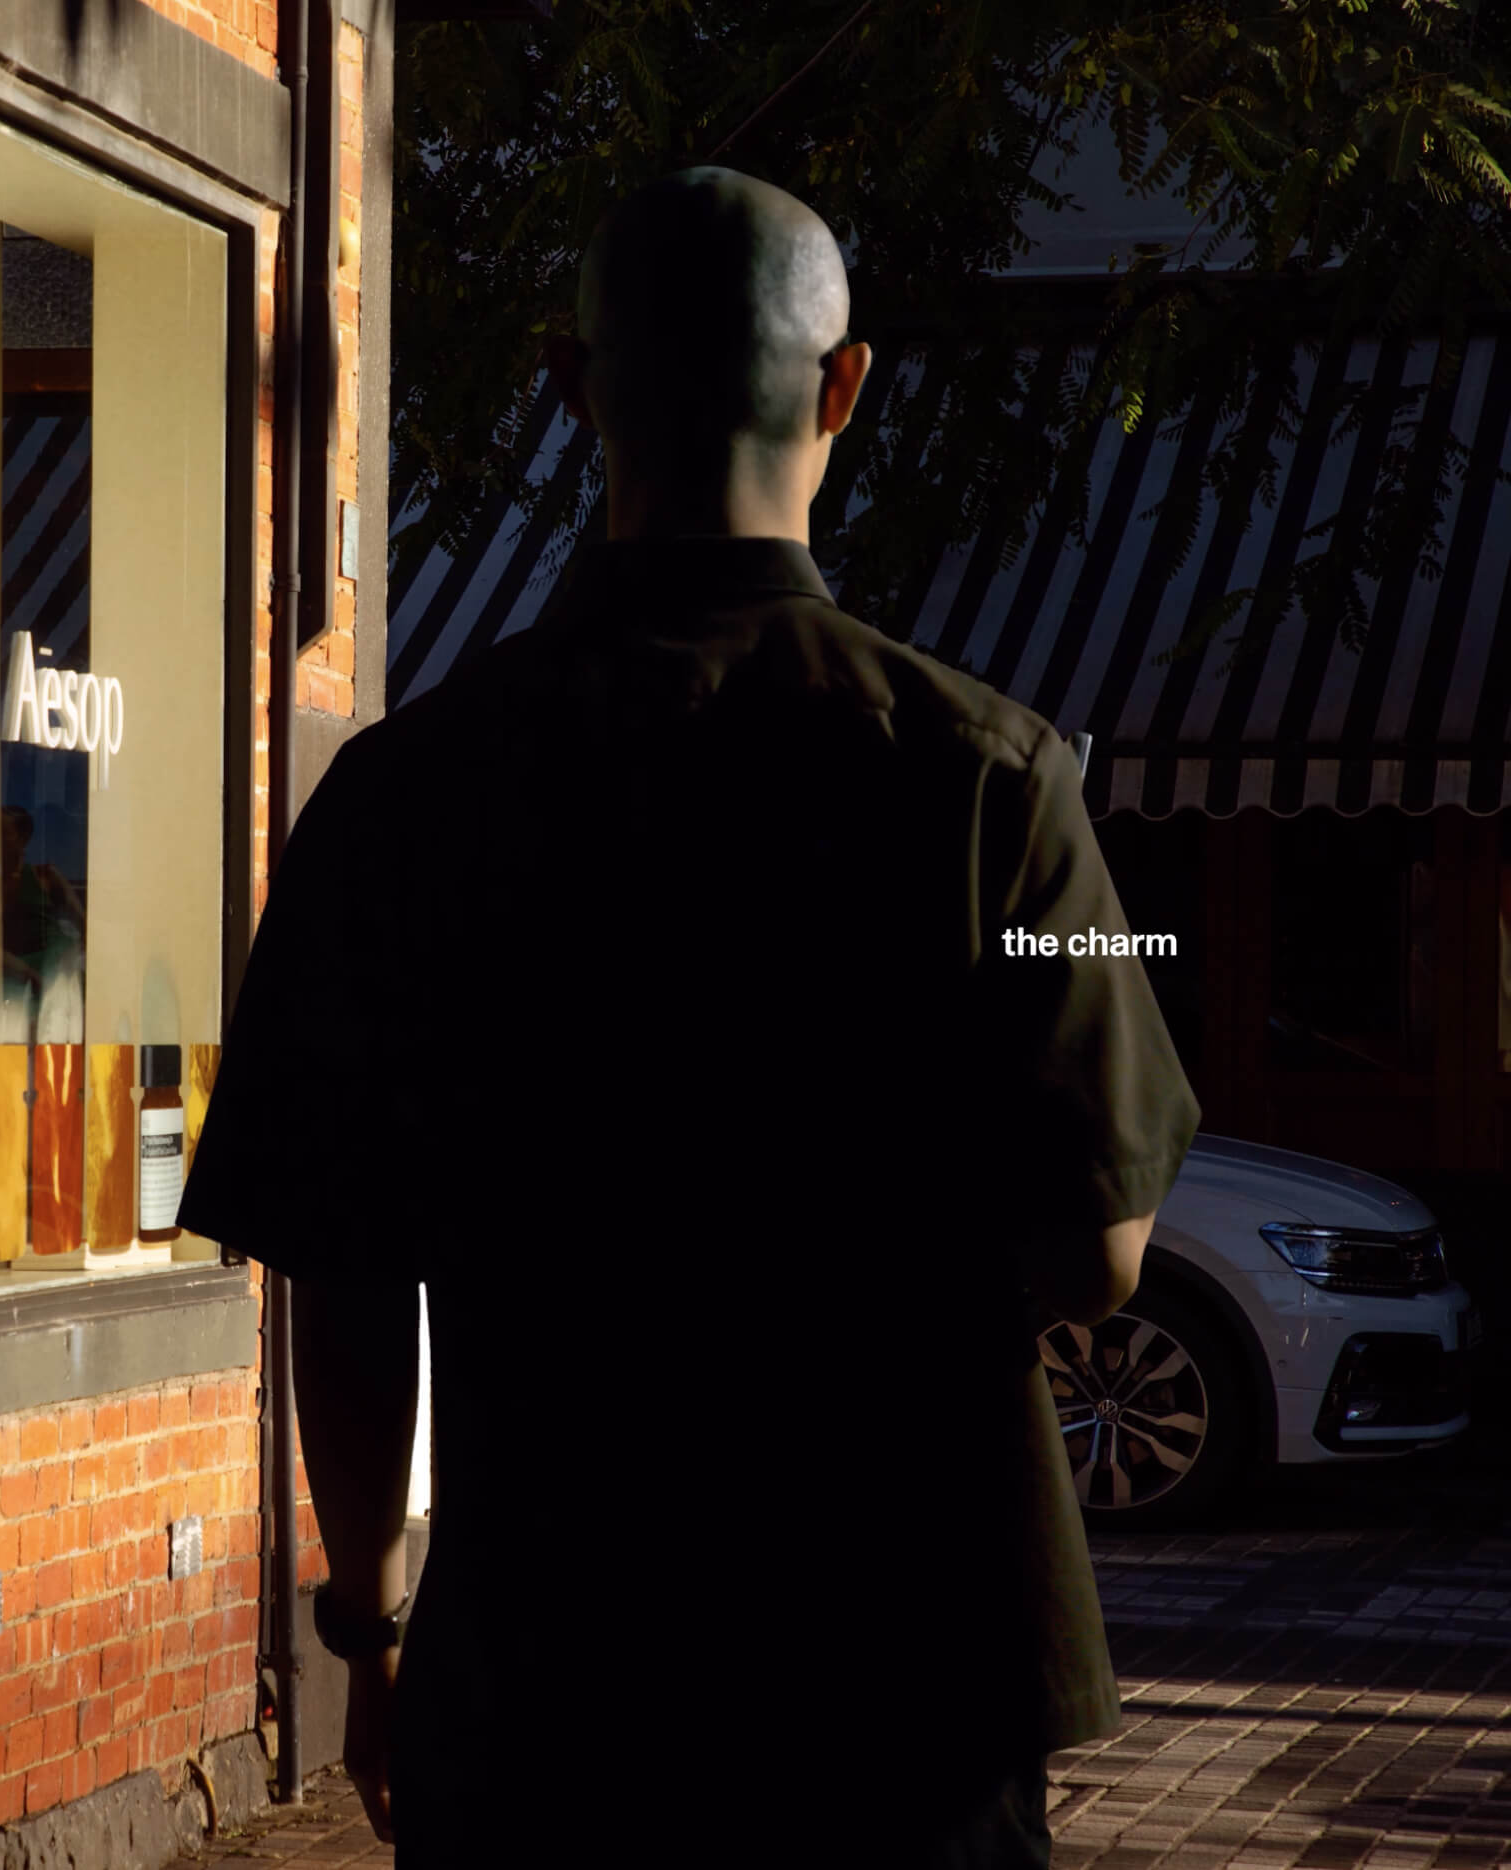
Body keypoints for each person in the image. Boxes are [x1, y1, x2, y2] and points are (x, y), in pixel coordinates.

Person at [176, 166, 1199, 1866]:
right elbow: (1101, 1247)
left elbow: (343, 1287)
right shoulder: (988, 782)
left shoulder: (405, 799)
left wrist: (369, 1626)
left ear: (572, 389)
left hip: (551, 1682)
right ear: (846, 386)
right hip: (909, 1669)